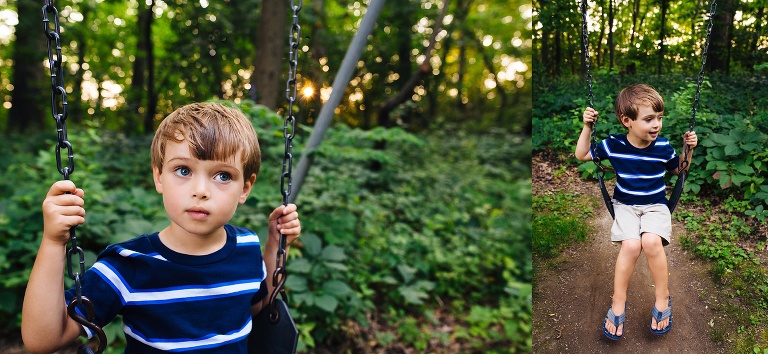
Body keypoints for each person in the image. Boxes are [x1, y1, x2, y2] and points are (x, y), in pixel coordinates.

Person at [21, 102, 301, 353]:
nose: (201, 190)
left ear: (246, 188)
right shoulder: (129, 266)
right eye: (183, 170)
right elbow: (44, 339)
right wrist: (53, 242)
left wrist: (276, 247)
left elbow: (255, 307)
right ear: (158, 176)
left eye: (223, 175)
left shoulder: (247, 247)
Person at [574, 84, 698, 340]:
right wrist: (587, 127)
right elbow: (582, 154)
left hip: (655, 205)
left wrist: (690, 149)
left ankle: (662, 298)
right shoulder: (613, 145)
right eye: (649, 119)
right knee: (630, 246)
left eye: (659, 118)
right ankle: (618, 302)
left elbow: (680, 170)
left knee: (651, 242)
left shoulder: (663, 146)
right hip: (626, 206)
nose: (656, 125)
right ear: (627, 121)